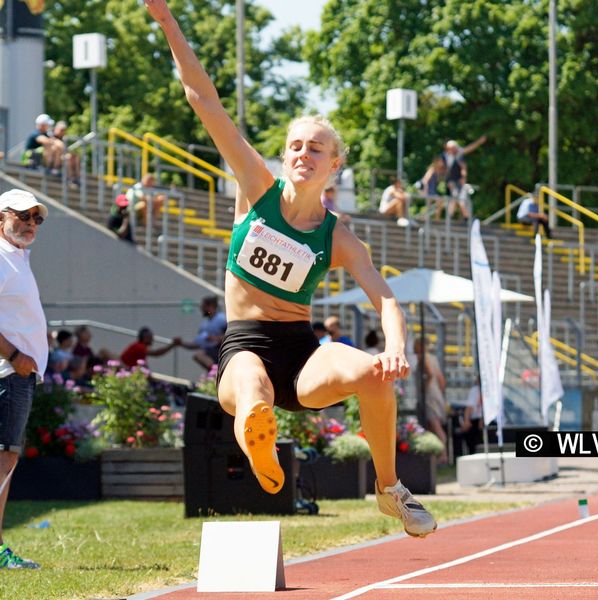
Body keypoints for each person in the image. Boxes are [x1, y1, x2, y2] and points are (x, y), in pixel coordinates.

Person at [145, 0, 436, 538]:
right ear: (283, 157)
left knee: (372, 375)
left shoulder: (338, 236)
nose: (304, 153)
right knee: (252, 392)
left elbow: (386, 298)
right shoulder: (255, 188)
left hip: (301, 353)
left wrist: (394, 349)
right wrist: (168, 21)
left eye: (317, 148)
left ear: (334, 165)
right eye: (295, 145)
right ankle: (261, 448)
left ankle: (390, 489)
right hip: (244, 345)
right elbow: (202, 98)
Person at [0, 188, 49, 569]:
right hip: (7, 374)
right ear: (1, 218)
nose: (31, 223)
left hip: (15, 375)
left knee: (6, 457)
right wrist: (15, 357)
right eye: (22, 215)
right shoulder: (2, 259)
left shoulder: (16, 257)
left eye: (36, 217)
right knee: (4, 458)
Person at [414, 338, 448, 464]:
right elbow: (441, 380)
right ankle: (438, 454)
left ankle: (443, 455)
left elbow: (430, 375)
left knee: (435, 427)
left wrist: (425, 390)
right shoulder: (433, 358)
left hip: (429, 397)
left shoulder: (423, 358)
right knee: (433, 426)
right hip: (436, 394)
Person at [441, 136, 486, 221]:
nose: (453, 149)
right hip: (451, 181)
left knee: (460, 198)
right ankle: (454, 217)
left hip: (459, 181)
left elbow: (463, 166)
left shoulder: (458, 154)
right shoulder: (445, 156)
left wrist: (480, 141)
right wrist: (447, 181)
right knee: (454, 197)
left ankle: (464, 217)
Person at [180, 296, 227, 371]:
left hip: (221, 352)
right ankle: (215, 373)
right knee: (198, 355)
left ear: (210, 306)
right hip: (211, 352)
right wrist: (181, 343)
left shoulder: (222, 319)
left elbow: (231, 335)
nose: (201, 309)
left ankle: (217, 372)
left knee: (200, 354)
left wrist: (216, 338)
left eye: (203, 307)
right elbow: (197, 344)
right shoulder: (204, 325)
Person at [52, 121, 81, 186]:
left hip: (61, 157)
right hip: (53, 160)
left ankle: (77, 178)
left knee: (75, 157)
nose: (63, 132)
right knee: (68, 158)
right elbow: (61, 147)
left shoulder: (63, 139)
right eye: (61, 130)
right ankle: (71, 178)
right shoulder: (51, 136)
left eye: (64, 130)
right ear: (56, 129)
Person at [419, 156, 448, 220]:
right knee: (438, 201)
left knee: (435, 204)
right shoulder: (432, 169)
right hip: (428, 190)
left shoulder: (438, 171)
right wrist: (425, 191)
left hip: (432, 190)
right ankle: (436, 219)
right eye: (441, 161)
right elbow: (425, 180)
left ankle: (425, 218)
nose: (442, 163)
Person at [462, 377, 484, 455]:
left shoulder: (495, 390)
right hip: (476, 420)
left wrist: (483, 419)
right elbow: (469, 407)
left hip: (490, 420)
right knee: (468, 430)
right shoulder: (475, 390)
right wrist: (466, 421)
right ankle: (473, 453)